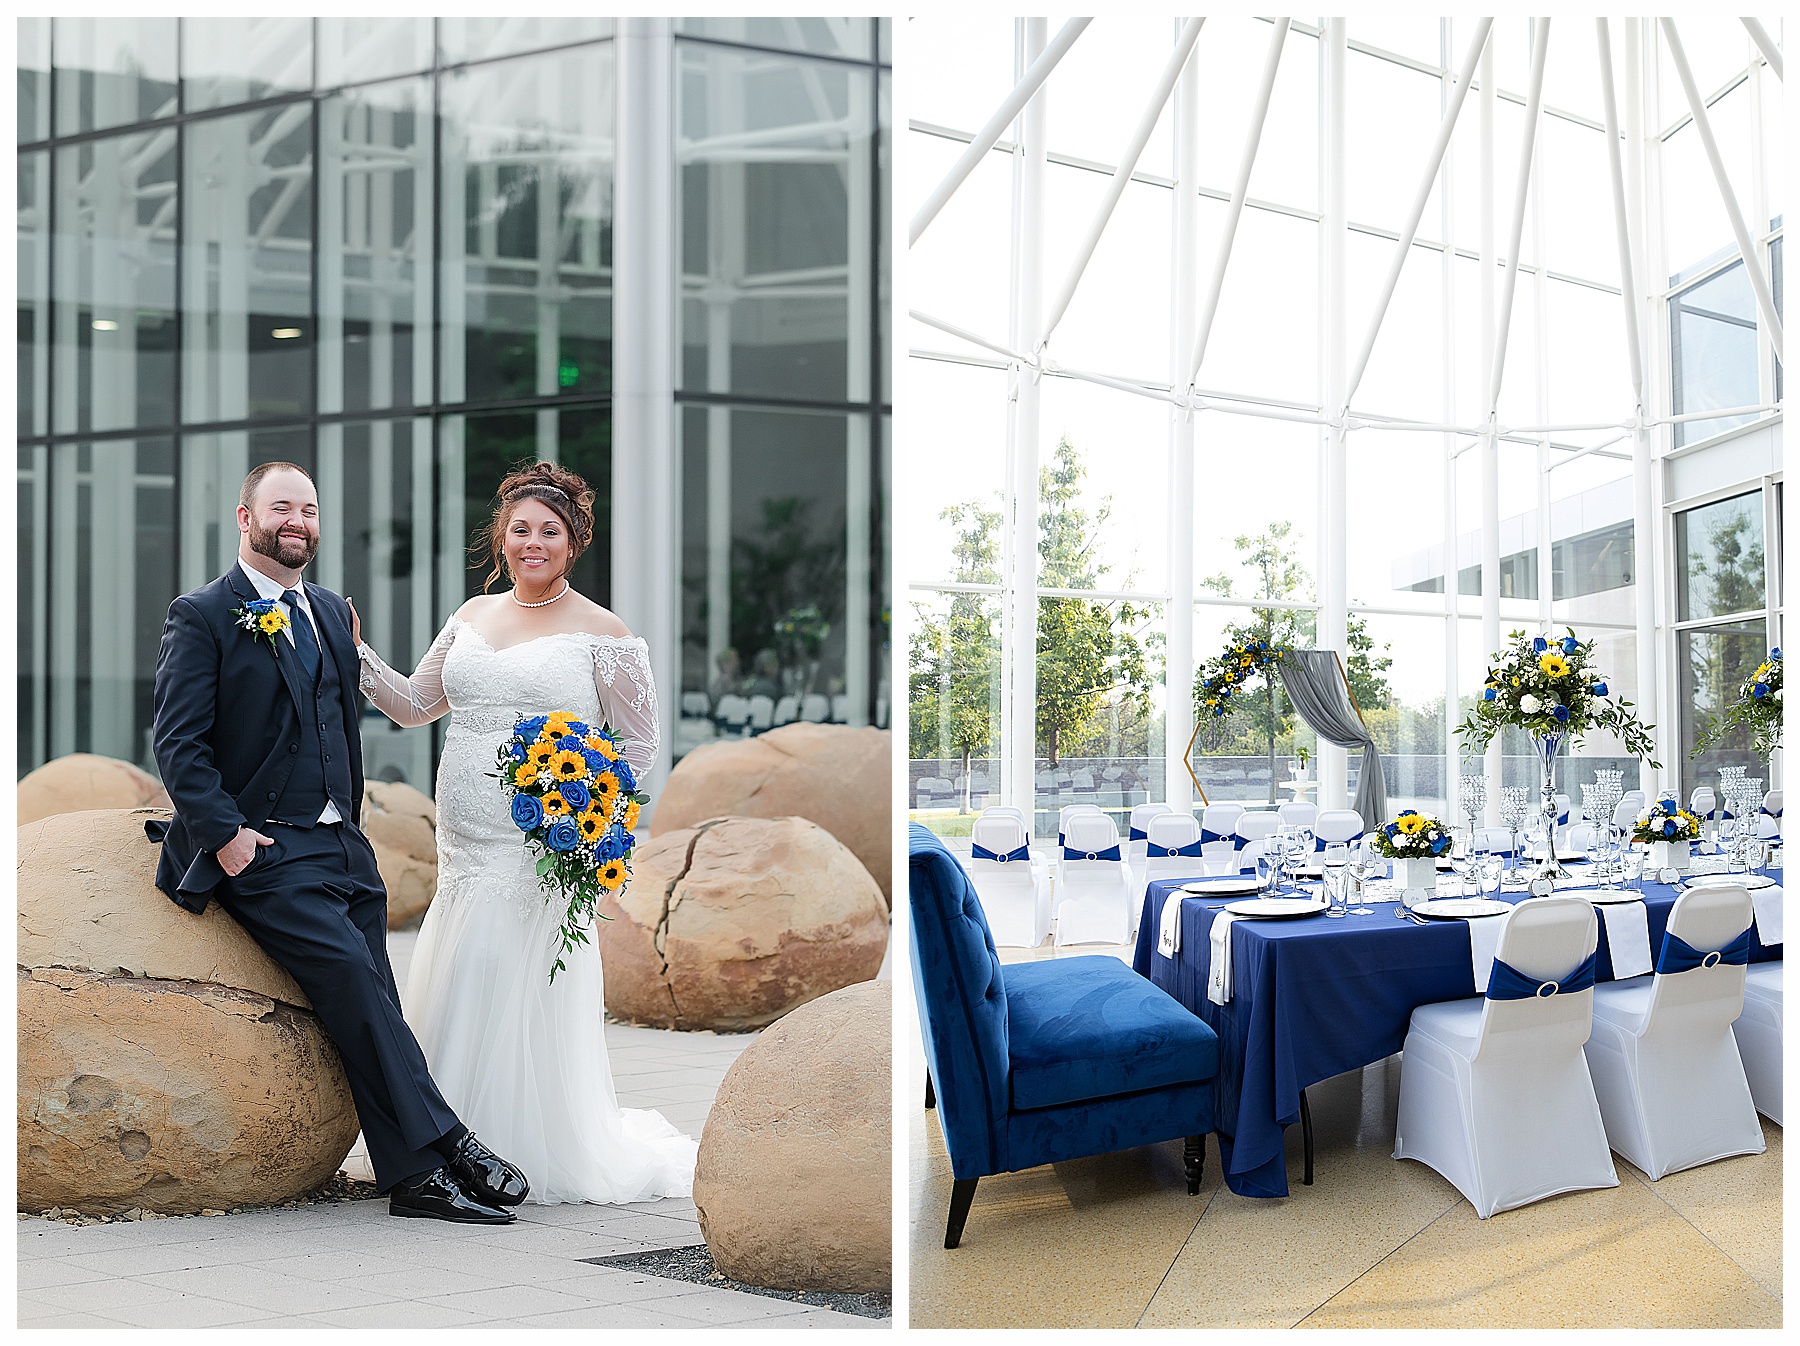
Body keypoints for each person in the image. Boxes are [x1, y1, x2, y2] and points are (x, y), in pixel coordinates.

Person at [148, 461, 528, 1224]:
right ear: (245, 517)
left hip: (342, 847)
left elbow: (342, 717)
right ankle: (451, 1142)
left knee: (373, 1002)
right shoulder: (202, 614)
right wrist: (227, 840)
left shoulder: (327, 609)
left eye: (309, 509)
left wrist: (350, 826)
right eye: (281, 507)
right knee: (355, 983)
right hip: (265, 852)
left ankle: (413, 1180)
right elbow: (178, 742)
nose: (298, 521)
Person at [353, 461, 697, 1204]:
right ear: (501, 540)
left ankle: (503, 1142)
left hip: (539, 844)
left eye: (550, 532)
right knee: (457, 967)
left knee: (502, 973)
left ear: (573, 544)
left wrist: (583, 817)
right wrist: (355, 653)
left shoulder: (605, 633)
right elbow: (416, 705)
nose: (533, 542)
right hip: (463, 841)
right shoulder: (471, 617)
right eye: (521, 531)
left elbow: (637, 748)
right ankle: (438, 1139)